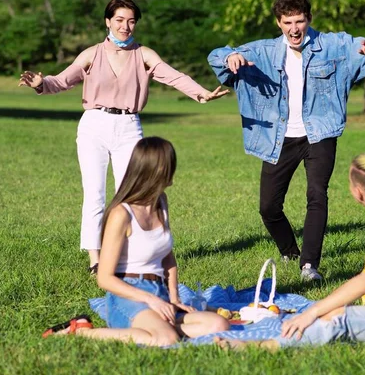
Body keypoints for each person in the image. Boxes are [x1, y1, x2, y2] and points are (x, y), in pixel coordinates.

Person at [19, 0, 228, 275]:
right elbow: (62, 80)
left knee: (130, 194)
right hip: (94, 124)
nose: (125, 26)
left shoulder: (144, 55)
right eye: (119, 20)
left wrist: (201, 92)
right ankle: (95, 259)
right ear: (107, 21)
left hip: (129, 125)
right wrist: (41, 84)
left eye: (131, 21)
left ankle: (126, 254)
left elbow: (173, 76)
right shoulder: (92, 54)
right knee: (94, 194)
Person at [208, 0, 365, 281]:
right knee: (268, 207)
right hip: (280, 138)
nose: (295, 28)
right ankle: (290, 252)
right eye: (288, 22)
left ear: (309, 19)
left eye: (300, 21)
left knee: (317, 195)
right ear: (278, 22)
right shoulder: (262, 51)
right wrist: (230, 56)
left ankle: (309, 266)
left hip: (319, 133)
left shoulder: (332, 45)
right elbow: (216, 55)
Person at [215, 153, 365, 350]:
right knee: (323, 312)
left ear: (358, 192)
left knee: (333, 318)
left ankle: (261, 346)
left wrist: (313, 311)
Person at [43, 137, 230, 345]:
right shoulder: (121, 214)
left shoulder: (161, 202)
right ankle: (80, 331)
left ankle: (160, 330)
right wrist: (150, 300)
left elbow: (168, 258)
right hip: (128, 296)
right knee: (166, 339)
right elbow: (104, 278)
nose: (173, 171)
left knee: (218, 324)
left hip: (159, 292)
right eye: (170, 165)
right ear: (158, 169)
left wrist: (175, 298)